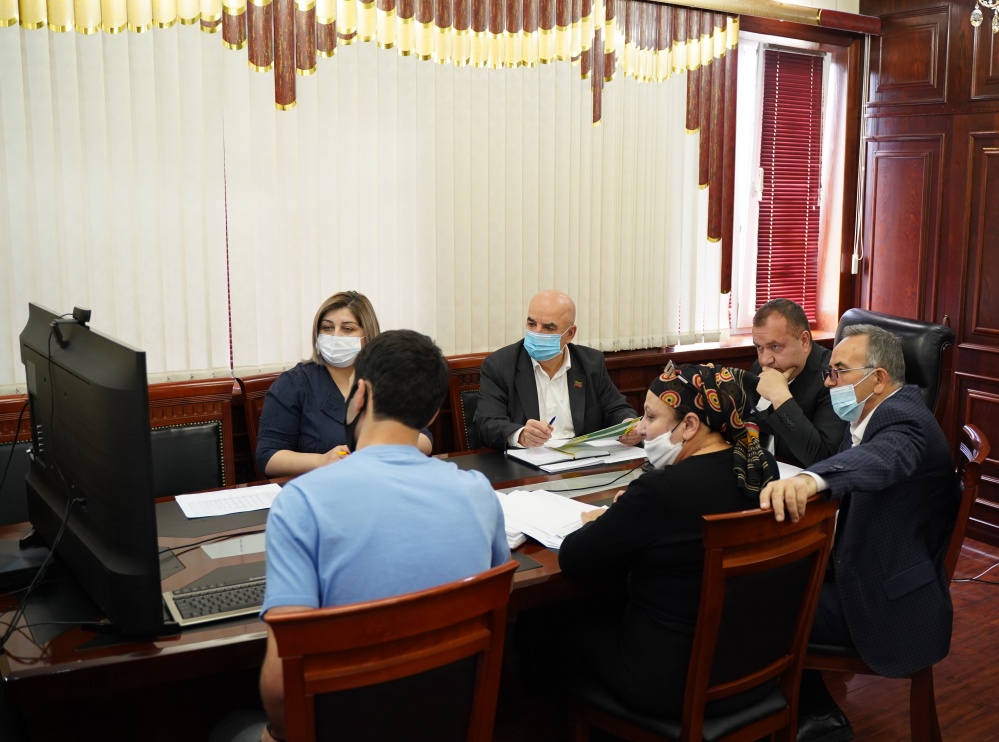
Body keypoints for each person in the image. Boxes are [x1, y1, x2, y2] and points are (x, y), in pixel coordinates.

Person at [257, 330, 510, 742]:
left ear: (360, 395)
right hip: (449, 722)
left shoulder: (301, 502)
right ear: (433, 414)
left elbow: (282, 687)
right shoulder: (479, 493)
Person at [759, 324, 960, 742]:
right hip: (863, 566)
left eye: (838, 372)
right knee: (771, 579)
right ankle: (805, 711)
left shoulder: (904, 419)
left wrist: (812, 480)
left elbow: (885, 457)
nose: (829, 382)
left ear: (878, 378)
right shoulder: (874, 413)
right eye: (829, 372)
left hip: (888, 600)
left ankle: (792, 718)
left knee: (753, 601)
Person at [556, 363, 778, 717]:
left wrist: (600, 520)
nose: (641, 428)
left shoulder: (660, 490)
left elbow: (573, 559)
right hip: (755, 664)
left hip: (670, 681)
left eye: (650, 416)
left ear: (690, 424)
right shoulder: (758, 465)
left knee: (550, 628)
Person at [255, 291, 432, 477]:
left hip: (381, 480)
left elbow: (424, 439)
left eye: (347, 329)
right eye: (327, 328)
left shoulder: (386, 377)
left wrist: (376, 449)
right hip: (321, 484)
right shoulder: (294, 384)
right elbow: (268, 457)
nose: (335, 336)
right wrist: (322, 461)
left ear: (367, 335)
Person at [474, 289, 640, 450]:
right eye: (532, 324)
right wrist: (521, 435)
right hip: (528, 459)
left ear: (570, 333)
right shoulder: (500, 365)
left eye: (549, 328)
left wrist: (627, 425)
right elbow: (487, 424)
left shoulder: (590, 363)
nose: (537, 333)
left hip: (581, 458)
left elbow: (617, 408)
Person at [749, 298, 846, 468]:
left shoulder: (834, 377)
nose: (765, 360)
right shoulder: (761, 368)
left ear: (804, 341)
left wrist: (780, 397)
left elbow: (823, 457)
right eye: (759, 347)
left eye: (775, 347)